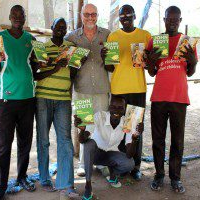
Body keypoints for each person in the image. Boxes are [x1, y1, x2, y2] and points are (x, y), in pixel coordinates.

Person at [0, 5, 37, 200]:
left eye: (21, 15)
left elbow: (36, 65)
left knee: (25, 142)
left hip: (28, 98)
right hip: (6, 100)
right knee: (4, 146)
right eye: (14, 15)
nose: (17, 18)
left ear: (24, 18)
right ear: (9, 17)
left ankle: (22, 177)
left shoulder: (31, 40)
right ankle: (0, 188)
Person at [146, 6, 198, 193]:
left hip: (179, 98)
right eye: (169, 19)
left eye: (176, 20)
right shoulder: (155, 40)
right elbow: (152, 72)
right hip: (159, 97)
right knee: (158, 139)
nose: (173, 22)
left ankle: (175, 178)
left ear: (180, 20)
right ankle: (159, 175)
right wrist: (151, 61)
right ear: (164, 19)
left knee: (177, 140)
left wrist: (193, 60)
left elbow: (190, 72)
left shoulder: (187, 42)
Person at [101, 4, 151, 181]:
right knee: (120, 128)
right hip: (118, 91)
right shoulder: (113, 36)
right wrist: (103, 56)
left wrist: (149, 58)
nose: (126, 18)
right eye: (122, 16)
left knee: (134, 129)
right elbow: (110, 67)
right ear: (119, 18)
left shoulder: (145, 35)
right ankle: (122, 164)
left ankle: (135, 166)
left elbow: (151, 65)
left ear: (135, 16)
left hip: (137, 88)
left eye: (129, 15)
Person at [35, 17, 81, 197]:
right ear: (52, 28)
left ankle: (66, 183)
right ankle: (45, 179)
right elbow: (36, 76)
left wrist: (78, 63)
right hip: (43, 98)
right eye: (58, 27)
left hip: (63, 99)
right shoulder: (42, 47)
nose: (61, 30)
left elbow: (73, 74)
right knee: (43, 140)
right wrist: (55, 67)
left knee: (65, 141)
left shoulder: (71, 48)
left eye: (64, 27)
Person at [65, 3, 111, 176]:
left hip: (101, 89)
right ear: (81, 15)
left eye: (93, 14)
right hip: (82, 89)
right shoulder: (71, 38)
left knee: (101, 126)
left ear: (97, 15)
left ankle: (100, 162)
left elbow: (112, 63)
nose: (90, 17)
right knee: (84, 126)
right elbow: (68, 64)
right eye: (87, 14)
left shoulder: (107, 35)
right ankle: (84, 164)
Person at [74, 96, 144, 200]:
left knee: (129, 164)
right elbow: (83, 140)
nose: (116, 110)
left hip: (111, 155)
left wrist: (135, 138)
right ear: (109, 107)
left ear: (124, 109)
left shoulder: (128, 122)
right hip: (95, 154)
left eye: (120, 108)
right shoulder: (99, 116)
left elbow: (129, 155)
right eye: (113, 107)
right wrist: (82, 131)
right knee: (89, 144)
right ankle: (88, 185)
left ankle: (112, 174)